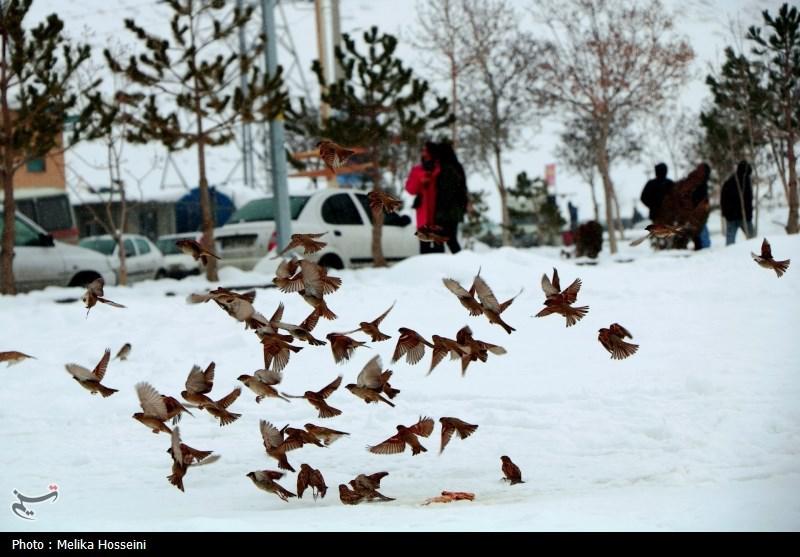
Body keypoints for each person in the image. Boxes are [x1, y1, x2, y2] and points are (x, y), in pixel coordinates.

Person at [431, 141, 468, 254]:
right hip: (454, 210)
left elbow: (446, 192)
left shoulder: (447, 169)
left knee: (442, 240)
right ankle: (459, 263)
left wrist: (438, 213)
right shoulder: (456, 166)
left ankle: (442, 266)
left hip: (446, 211)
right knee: (450, 240)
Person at [405, 142, 440, 254]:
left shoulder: (440, 168)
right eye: (423, 150)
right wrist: (421, 179)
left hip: (438, 212)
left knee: (439, 247)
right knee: (424, 248)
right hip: (423, 214)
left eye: (426, 150)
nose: (424, 153)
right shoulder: (417, 170)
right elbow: (410, 189)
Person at [720, 160, 754, 245]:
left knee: (731, 241)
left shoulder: (730, 182)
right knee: (753, 239)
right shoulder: (742, 182)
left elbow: (723, 200)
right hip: (738, 217)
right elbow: (748, 200)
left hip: (736, 216)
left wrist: (726, 214)